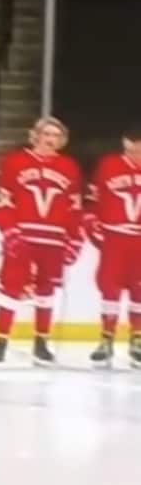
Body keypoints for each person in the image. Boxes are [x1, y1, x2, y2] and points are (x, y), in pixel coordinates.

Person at [0, 116, 83, 365]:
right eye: (47, 134)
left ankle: (41, 342)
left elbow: (75, 209)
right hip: (23, 236)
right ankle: (1, 341)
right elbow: (3, 203)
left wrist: (74, 241)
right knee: (11, 287)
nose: (51, 140)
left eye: (56, 136)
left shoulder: (69, 167)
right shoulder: (15, 162)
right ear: (36, 136)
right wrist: (10, 232)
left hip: (53, 240)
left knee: (46, 291)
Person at [84, 123, 141, 368]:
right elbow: (93, 200)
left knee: (139, 290)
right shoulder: (109, 165)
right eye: (130, 150)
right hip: (115, 237)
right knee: (110, 288)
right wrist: (93, 225)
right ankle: (106, 339)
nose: (134, 155)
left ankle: (137, 340)